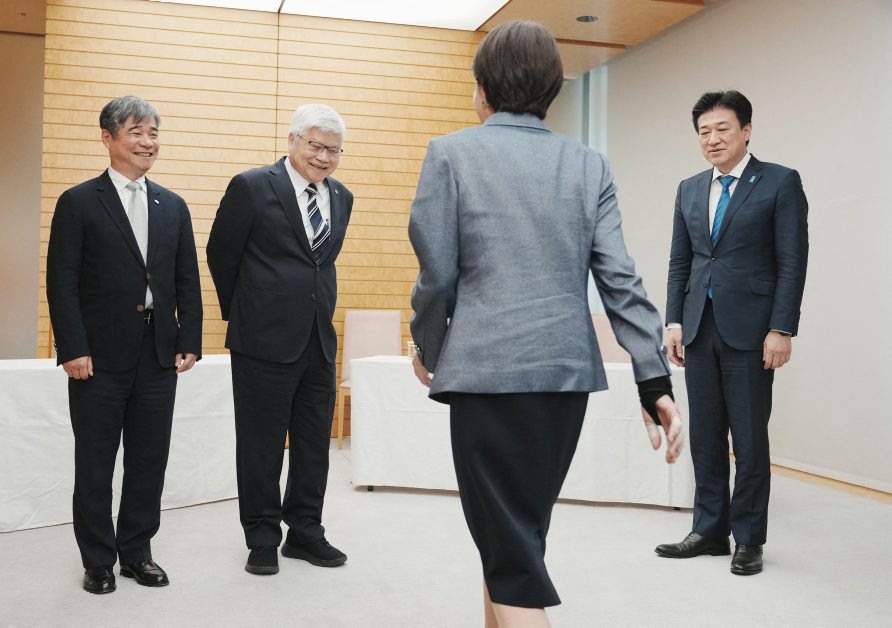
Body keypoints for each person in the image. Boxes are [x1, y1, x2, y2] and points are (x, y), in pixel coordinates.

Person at [408, 21, 684, 628]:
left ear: (484, 88)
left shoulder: (451, 153)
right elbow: (620, 280)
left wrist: (426, 346)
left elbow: (437, 276)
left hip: (486, 375)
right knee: (514, 541)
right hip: (562, 380)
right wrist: (653, 379)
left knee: (510, 557)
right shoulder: (587, 163)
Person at [46, 95, 203, 594]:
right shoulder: (78, 202)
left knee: (148, 461)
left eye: (153, 133)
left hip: (158, 353)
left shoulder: (172, 205)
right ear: (108, 137)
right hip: (97, 357)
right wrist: (72, 347)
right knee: (95, 463)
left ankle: (137, 552)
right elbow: (61, 282)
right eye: (136, 132)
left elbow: (186, 277)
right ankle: (97, 560)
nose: (147, 142)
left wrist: (190, 336)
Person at [657, 90, 809, 576]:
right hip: (699, 328)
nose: (712, 138)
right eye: (704, 131)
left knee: (748, 440)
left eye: (722, 128)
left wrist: (781, 327)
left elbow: (792, 261)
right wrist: (674, 321)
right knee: (705, 437)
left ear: (746, 130)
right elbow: (680, 262)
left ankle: (748, 539)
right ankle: (709, 531)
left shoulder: (780, 181)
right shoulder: (688, 188)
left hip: (752, 332)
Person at [207, 103, 353, 576]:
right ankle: (262, 537)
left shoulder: (343, 196)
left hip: (318, 339)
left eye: (334, 150)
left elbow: (319, 264)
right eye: (316, 146)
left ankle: (305, 532)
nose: (324, 157)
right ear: (292, 141)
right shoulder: (252, 186)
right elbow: (220, 255)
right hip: (261, 341)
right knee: (261, 445)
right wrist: (247, 313)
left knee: (313, 444)